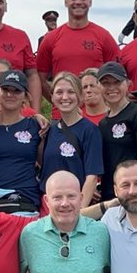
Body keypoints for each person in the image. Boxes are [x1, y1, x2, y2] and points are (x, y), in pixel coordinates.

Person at [36, 0, 121, 99]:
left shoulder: (104, 36)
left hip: (97, 114)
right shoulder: (51, 38)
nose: (78, 2)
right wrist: (57, 101)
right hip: (61, 115)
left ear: (90, 2)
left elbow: (119, 73)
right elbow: (38, 77)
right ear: (66, 2)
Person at [0, 70, 43, 212]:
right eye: (5, 89)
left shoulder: (36, 126)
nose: (10, 95)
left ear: (25, 96)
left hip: (26, 199)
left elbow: (46, 164)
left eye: (16, 90)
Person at [97, 62, 137, 199]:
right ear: (99, 86)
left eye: (117, 82)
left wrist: (133, 193)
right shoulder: (102, 123)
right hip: (109, 197)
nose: (112, 87)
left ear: (127, 84)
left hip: (131, 197)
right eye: (106, 83)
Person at [41, 72, 104, 203]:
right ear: (52, 97)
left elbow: (92, 177)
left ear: (80, 96)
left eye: (71, 92)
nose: (65, 97)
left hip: (74, 204)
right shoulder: (49, 129)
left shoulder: (90, 130)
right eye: (59, 92)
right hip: (49, 204)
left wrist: (80, 213)